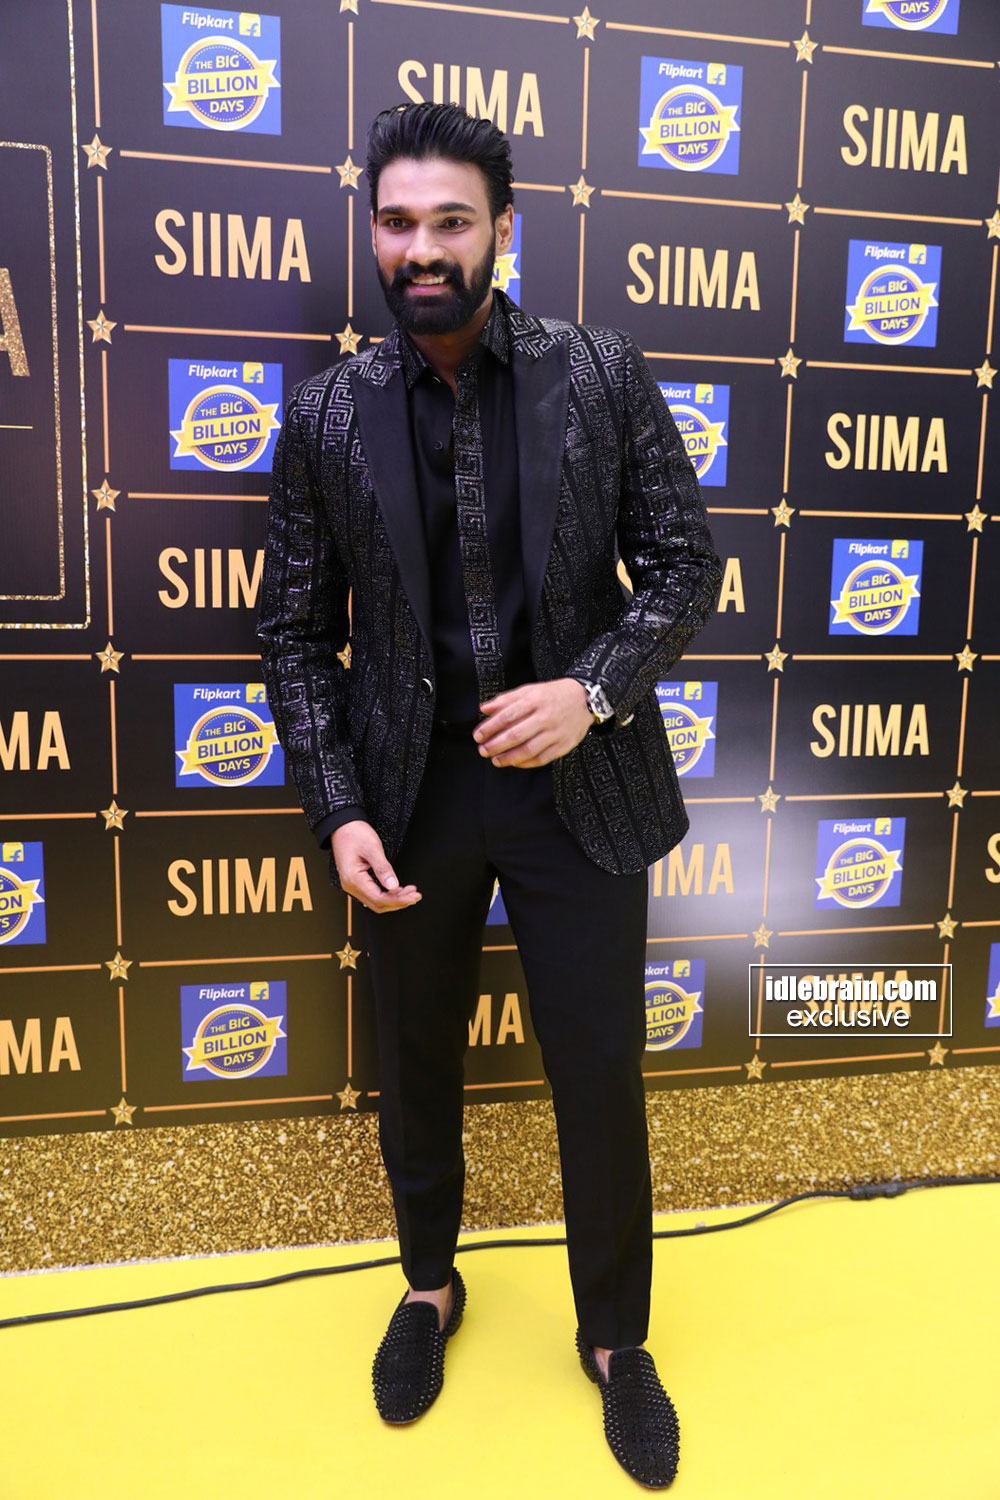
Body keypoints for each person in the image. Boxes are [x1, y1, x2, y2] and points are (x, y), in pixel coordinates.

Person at [257, 100, 721, 1489]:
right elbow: (294, 635)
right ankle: (428, 1288)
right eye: (398, 221)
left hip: (585, 788)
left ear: (502, 230)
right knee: (415, 1062)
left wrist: (591, 690)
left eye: (451, 220)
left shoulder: (602, 372)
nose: (423, 248)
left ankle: (616, 1339)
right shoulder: (324, 413)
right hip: (407, 799)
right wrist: (339, 806)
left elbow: (685, 565)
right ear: (374, 235)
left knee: (599, 1069)